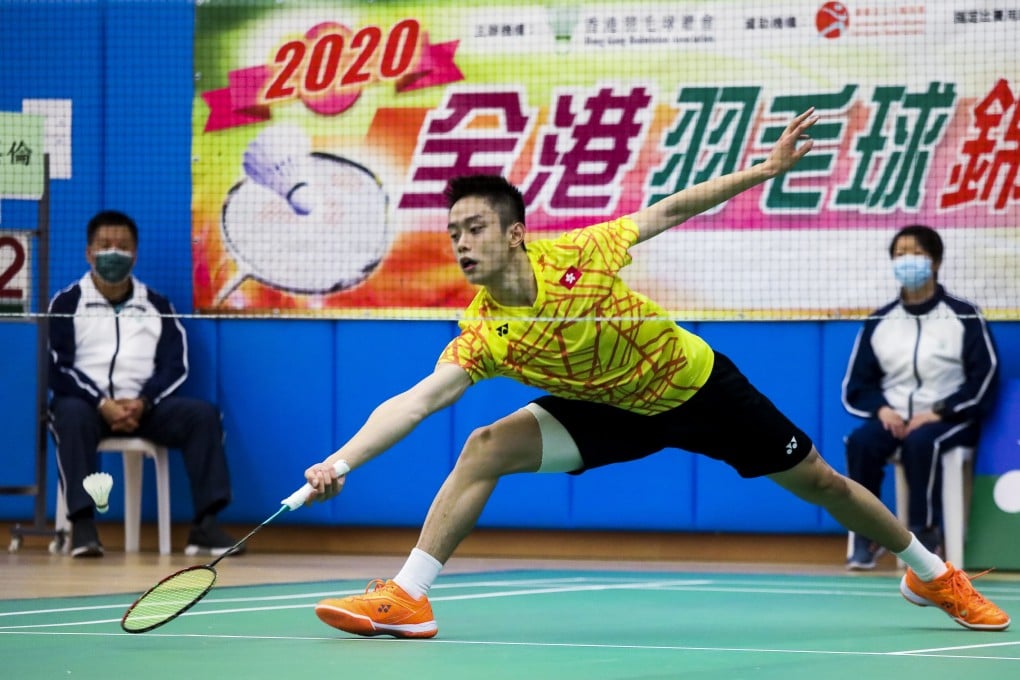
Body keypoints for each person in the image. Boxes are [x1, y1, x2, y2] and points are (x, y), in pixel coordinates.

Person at [301, 109, 1009, 636]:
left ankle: (931, 574)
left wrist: (764, 171)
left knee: (821, 482)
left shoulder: (580, 254)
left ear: (515, 231)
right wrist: (340, 461)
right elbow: (420, 399)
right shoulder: (486, 331)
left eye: (474, 228)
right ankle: (410, 594)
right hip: (607, 409)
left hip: (697, 388)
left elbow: (672, 207)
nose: (461, 243)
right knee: (484, 445)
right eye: (453, 233)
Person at [48, 210, 239, 558]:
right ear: (89, 252)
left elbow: (175, 365)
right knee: (69, 414)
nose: (113, 253)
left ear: (135, 254)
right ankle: (83, 527)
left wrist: (144, 401)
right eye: (105, 245)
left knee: (202, 415)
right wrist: (100, 402)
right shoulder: (66, 303)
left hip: (144, 408)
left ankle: (205, 526)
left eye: (122, 246)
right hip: (87, 407)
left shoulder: (156, 305)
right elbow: (56, 367)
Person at [842, 224, 999, 570]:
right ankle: (866, 534)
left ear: (935, 261)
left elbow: (984, 378)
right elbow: (856, 386)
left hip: (949, 419)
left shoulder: (964, 315)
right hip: (895, 417)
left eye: (915, 253)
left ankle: (924, 534)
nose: (906, 261)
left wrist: (940, 411)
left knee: (922, 442)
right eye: (899, 255)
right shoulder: (879, 321)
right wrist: (881, 409)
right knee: (861, 443)